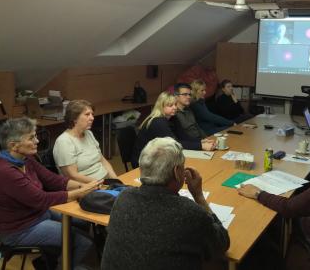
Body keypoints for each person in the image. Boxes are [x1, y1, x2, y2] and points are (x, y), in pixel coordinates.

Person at [0, 117, 100, 269]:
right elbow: (42, 200)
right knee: (84, 243)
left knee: (82, 221)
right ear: (13, 145)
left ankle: (55, 262)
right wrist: (82, 192)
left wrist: (84, 186)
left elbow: (53, 180)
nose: (37, 141)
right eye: (31, 138)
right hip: (21, 230)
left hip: (38, 214)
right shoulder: (5, 172)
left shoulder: (25, 159)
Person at [101, 137, 230, 269]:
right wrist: (199, 196)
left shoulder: (123, 198)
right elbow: (222, 243)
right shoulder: (189, 212)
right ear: (177, 172)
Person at [131, 92, 215, 167]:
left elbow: (184, 137)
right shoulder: (158, 122)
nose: (175, 107)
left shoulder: (173, 117)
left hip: (159, 156)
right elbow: (174, 144)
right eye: (170, 105)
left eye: (175, 104)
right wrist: (201, 146)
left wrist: (201, 141)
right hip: (144, 161)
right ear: (161, 106)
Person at [53, 99, 117, 183]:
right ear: (74, 118)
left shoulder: (88, 133)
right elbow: (72, 176)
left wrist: (116, 180)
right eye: (87, 114)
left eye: (92, 114)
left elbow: (102, 160)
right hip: (87, 187)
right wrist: (101, 183)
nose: (92, 118)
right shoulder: (64, 142)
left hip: (104, 181)